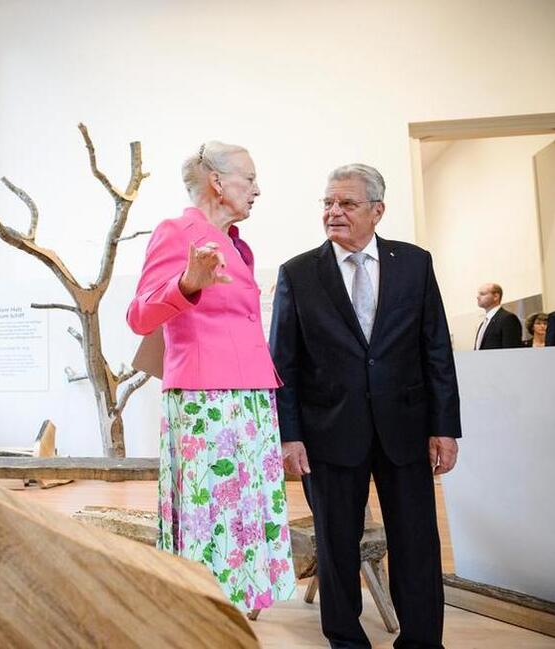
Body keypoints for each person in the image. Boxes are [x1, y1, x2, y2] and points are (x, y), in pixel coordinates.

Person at [270, 163, 461, 649]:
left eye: (347, 204)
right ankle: (346, 640)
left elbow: (435, 349)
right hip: (328, 433)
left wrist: (445, 426)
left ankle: (421, 641)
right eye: (328, 203)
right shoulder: (297, 273)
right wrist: (288, 435)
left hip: (406, 429)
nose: (334, 212)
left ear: (378, 211)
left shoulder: (415, 264)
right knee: (336, 547)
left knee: (417, 543)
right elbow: (283, 363)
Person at [126, 141, 296, 613]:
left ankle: (233, 613)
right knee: (212, 513)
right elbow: (139, 316)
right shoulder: (176, 232)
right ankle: (204, 613)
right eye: (249, 178)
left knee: (242, 512)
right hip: (206, 399)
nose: (257, 189)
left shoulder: (240, 245)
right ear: (217, 183)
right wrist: (185, 285)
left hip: (252, 398)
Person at [474, 283, 521, 349]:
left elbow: (511, 351)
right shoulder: (484, 323)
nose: (478, 297)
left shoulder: (508, 319)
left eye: (482, 294)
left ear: (496, 296)